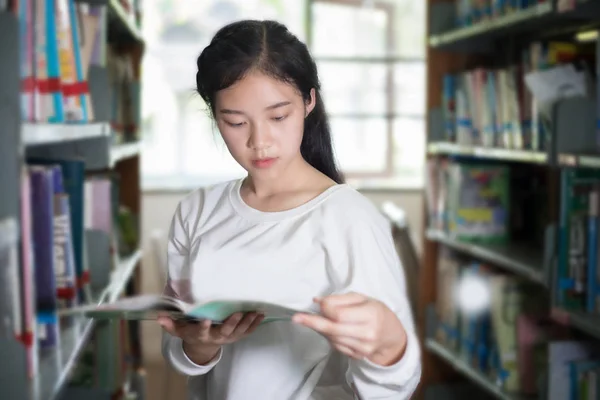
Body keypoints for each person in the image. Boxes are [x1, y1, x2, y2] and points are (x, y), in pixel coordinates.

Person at [158, 19, 421, 400]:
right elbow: (182, 357)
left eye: (278, 117)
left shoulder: (349, 218)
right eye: (235, 121)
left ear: (309, 101)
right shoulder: (196, 212)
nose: (259, 141)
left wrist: (389, 347)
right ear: (214, 114)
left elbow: (395, 385)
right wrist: (199, 345)